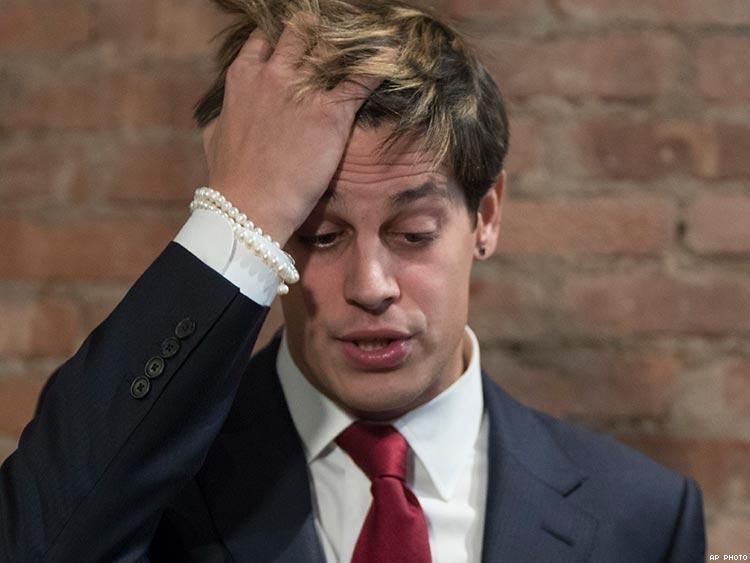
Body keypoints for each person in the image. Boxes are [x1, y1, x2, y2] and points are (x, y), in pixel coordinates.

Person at [0, 0, 705, 561]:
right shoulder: (153, 481)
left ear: (486, 217)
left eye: (413, 234)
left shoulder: (643, 515)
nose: (370, 286)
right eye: (319, 236)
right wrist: (241, 209)